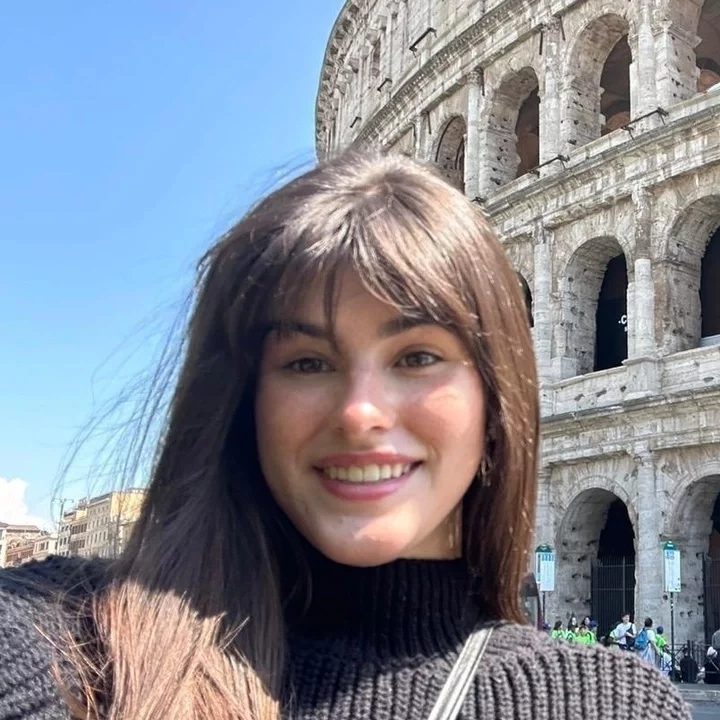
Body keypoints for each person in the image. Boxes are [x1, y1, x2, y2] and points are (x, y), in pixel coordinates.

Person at [0, 153, 691, 720]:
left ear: (495, 396)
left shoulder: (613, 706)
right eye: (307, 362)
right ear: (243, 399)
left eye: (416, 356)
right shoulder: (66, 641)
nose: (360, 412)